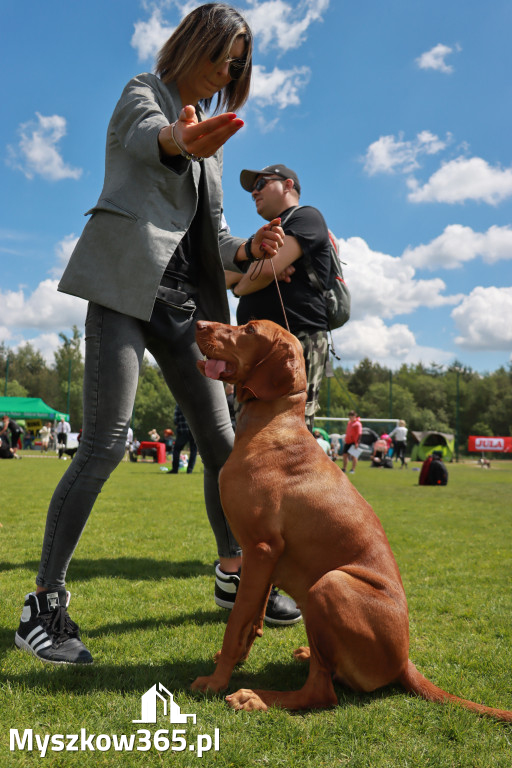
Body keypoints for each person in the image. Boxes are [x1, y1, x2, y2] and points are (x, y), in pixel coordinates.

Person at [15, 3, 299, 667]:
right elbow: (153, 136)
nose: (230, 70)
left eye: (239, 65)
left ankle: (233, 572)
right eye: (224, 57)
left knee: (224, 445)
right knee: (109, 441)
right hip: (122, 287)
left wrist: (247, 248)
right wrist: (179, 139)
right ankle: (44, 605)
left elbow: (216, 238)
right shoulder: (144, 92)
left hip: (186, 308)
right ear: (194, 45)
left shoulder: (218, 151)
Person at [226, 164, 332, 432]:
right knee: (248, 427)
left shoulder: (306, 217)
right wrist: (254, 270)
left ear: (287, 185)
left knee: (292, 430)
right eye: (252, 190)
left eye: (261, 184)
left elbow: (264, 272)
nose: (254, 192)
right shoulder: (260, 240)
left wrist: (243, 284)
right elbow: (225, 276)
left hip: (296, 338)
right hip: (256, 346)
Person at [171, 404, 198, 474]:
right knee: (193, 451)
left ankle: (175, 469)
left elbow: (175, 420)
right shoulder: (195, 403)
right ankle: (189, 470)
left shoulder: (179, 404)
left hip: (183, 431)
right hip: (194, 431)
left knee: (176, 450)